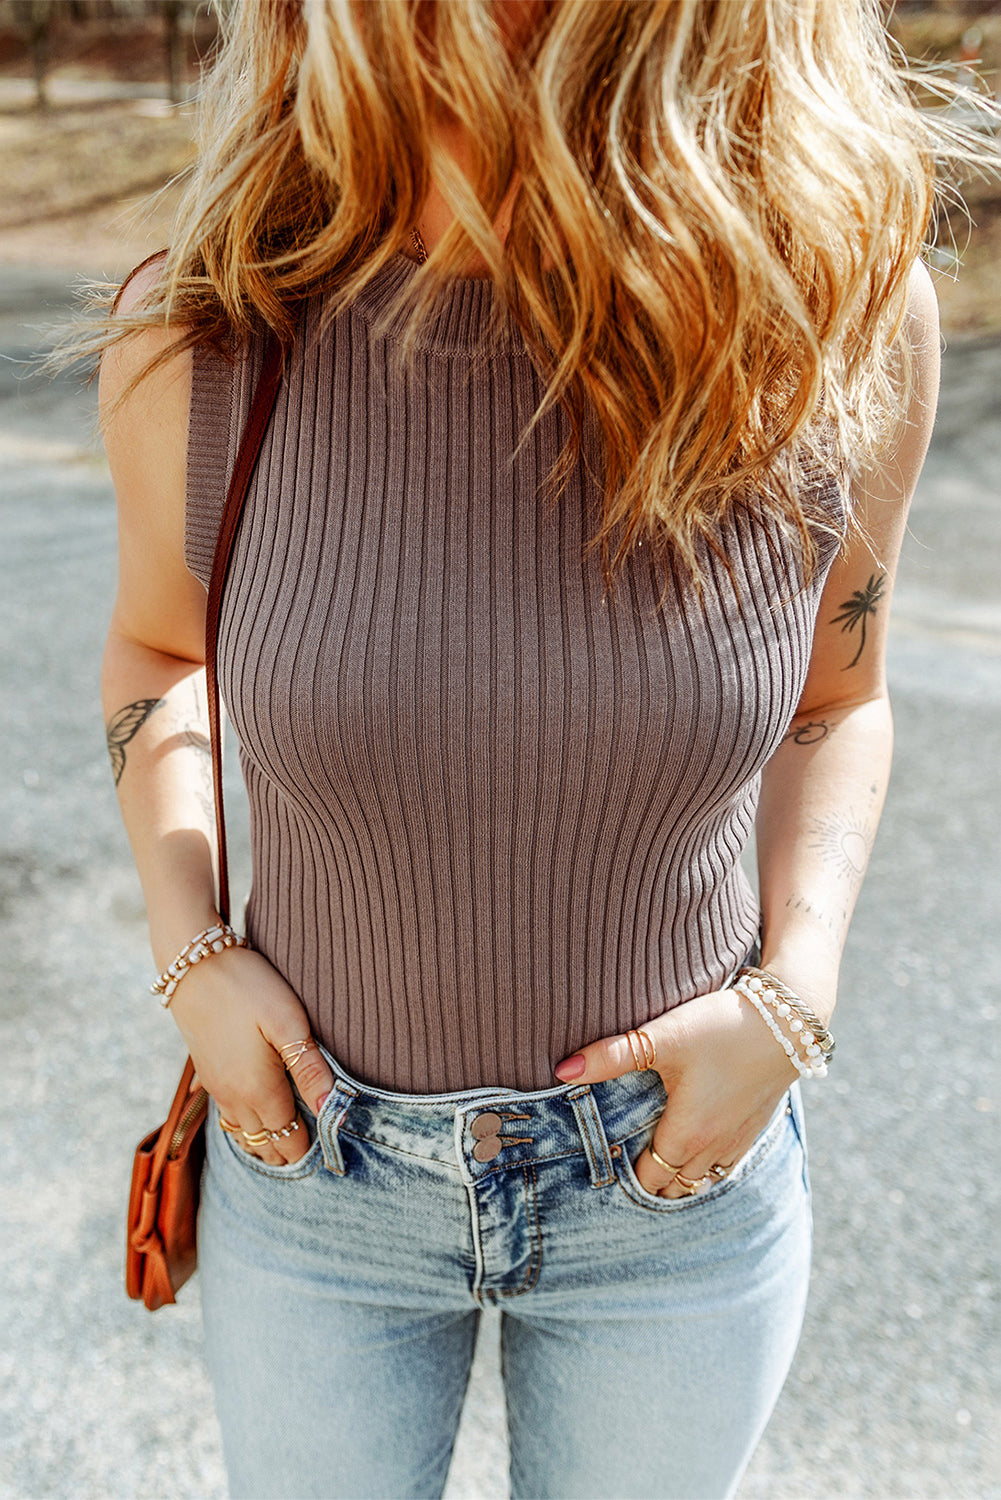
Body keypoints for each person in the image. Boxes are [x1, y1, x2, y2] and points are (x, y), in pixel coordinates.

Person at [91, 2, 992, 1496]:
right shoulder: (204, 332)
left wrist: (798, 993)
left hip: (678, 1179)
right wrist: (189, 953)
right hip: (318, 1172)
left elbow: (836, 699)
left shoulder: (836, 320)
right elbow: (157, 653)